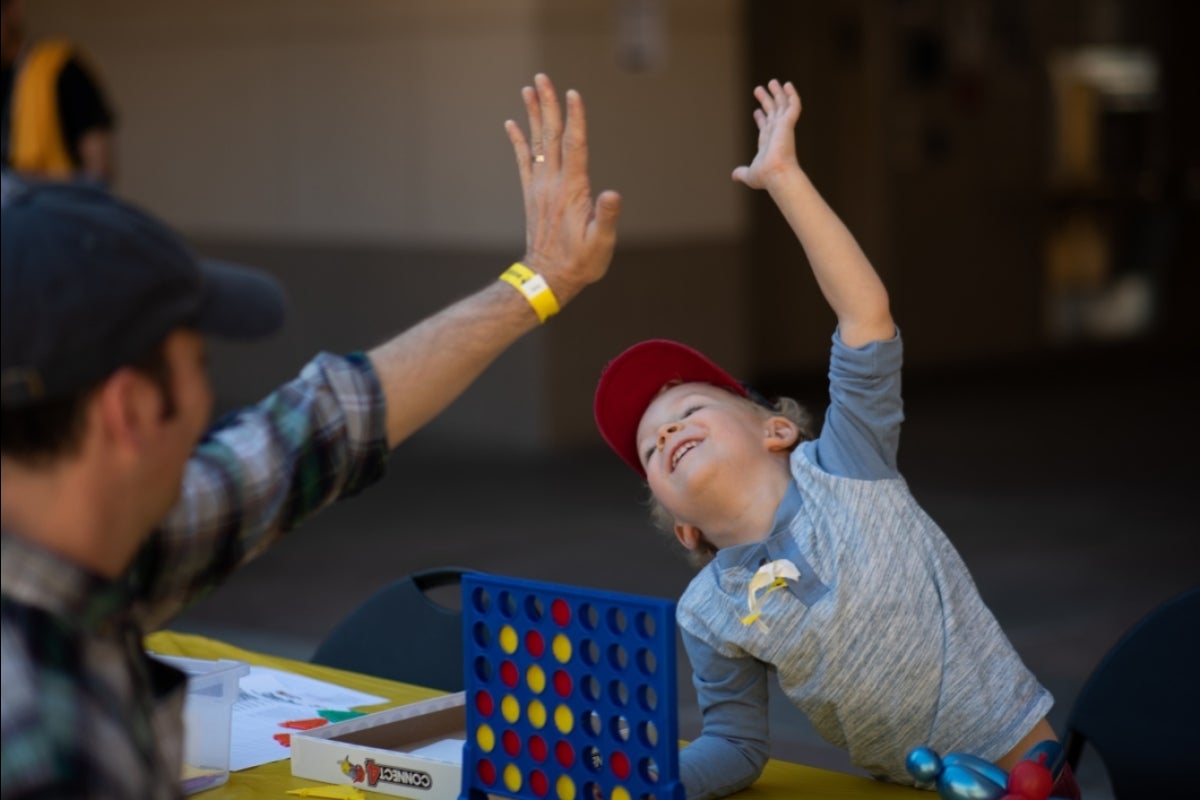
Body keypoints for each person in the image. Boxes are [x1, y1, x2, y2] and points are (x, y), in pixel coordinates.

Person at [0, 73, 620, 798]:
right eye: (200, 363)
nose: (212, 399)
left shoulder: (91, 549)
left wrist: (538, 281)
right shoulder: (47, 744)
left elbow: (321, 427)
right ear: (130, 412)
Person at [593, 80, 1080, 800]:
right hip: (901, 787)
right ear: (682, 525)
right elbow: (733, 746)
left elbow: (866, 314)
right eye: (649, 446)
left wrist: (785, 181)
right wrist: (643, 784)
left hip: (1023, 764)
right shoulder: (708, 611)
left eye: (690, 406)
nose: (665, 430)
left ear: (777, 429)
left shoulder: (846, 466)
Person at [1, 0, 117, 184]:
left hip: (54, 205)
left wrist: (44, 185)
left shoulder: (60, 68)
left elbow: (99, 169)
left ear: (13, 9)